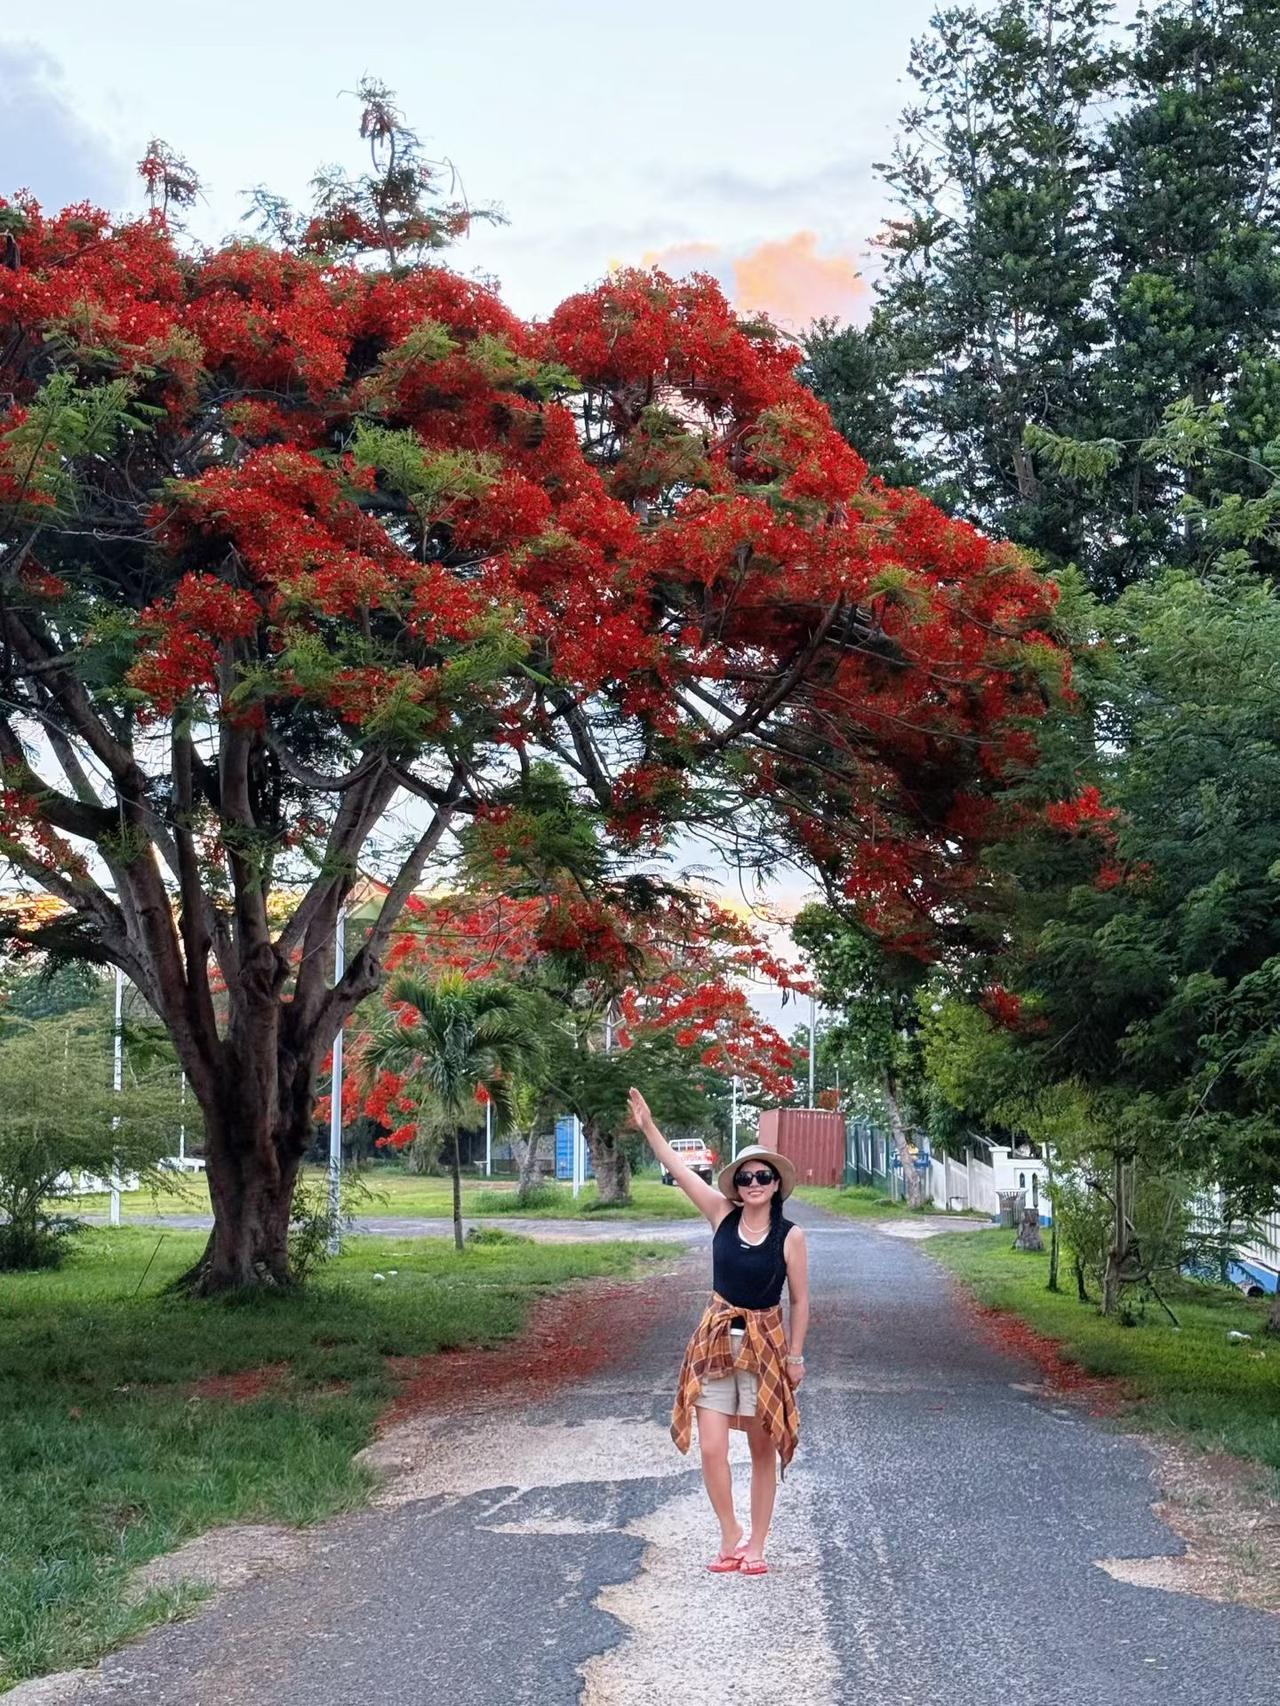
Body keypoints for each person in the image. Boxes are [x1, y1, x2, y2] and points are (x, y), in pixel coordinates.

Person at [626, 1086, 809, 1577]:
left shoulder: (790, 1236)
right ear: (736, 1184)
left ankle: (758, 1544)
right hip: (714, 1344)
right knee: (710, 1446)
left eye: (762, 1177)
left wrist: (795, 1356)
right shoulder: (720, 1215)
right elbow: (680, 1170)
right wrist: (648, 1126)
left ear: (775, 1185)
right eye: (746, 1176)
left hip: (765, 1347)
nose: (753, 1183)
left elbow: (800, 1300)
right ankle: (730, 1533)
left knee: (759, 1447)